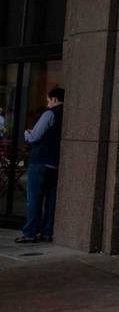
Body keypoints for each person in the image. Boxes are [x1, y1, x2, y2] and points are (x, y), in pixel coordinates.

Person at [18, 87, 64, 244]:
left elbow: (34, 137)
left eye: (48, 100)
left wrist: (26, 133)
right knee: (51, 201)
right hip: (55, 163)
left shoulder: (49, 113)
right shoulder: (67, 114)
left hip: (40, 162)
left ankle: (30, 232)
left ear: (54, 99)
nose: (48, 104)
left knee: (34, 199)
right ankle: (47, 232)